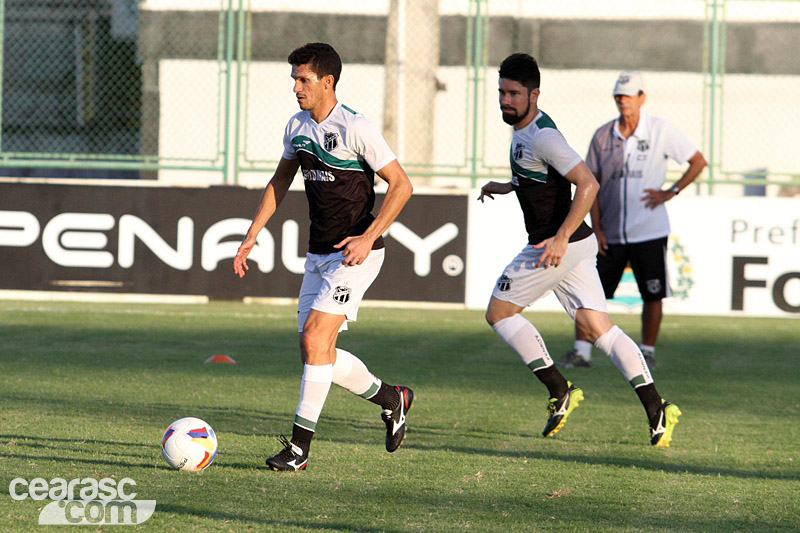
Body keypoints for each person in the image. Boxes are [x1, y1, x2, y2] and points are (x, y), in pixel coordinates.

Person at [479, 54, 680, 447]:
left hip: (558, 245)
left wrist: (558, 238)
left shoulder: (542, 136)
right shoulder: (528, 131)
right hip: (577, 243)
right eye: (502, 92)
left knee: (499, 312)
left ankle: (559, 389)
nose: (506, 99)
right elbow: (541, 176)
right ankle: (658, 408)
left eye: (514, 93)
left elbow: (587, 184)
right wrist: (507, 186)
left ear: (534, 94)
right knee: (598, 329)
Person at [233, 42, 414, 471]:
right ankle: (392, 398)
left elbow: (401, 185)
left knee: (316, 340)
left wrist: (369, 236)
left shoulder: (356, 127)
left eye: (303, 80)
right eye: (294, 79)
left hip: (356, 254)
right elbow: (279, 182)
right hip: (319, 254)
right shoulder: (297, 126)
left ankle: (298, 450)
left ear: (327, 82)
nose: (296, 87)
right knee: (316, 353)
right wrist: (251, 235)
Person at [558, 71, 707, 370]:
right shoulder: (603, 135)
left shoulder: (659, 130)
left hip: (649, 231)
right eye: (618, 95)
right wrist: (596, 228)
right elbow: (591, 184)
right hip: (610, 233)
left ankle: (647, 351)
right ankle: (582, 352)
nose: (622, 101)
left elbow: (698, 160)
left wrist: (671, 191)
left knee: (653, 293)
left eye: (628, 95)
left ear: (642, 98)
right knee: (591, 291)